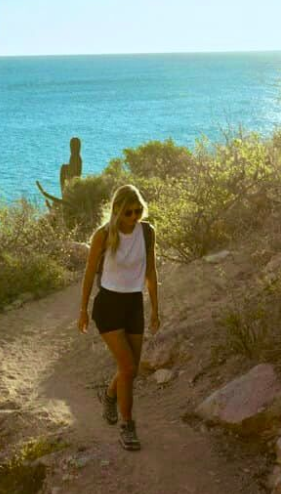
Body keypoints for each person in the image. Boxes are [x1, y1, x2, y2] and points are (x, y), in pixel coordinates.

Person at [77, 184, 160, 451]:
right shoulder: (103, 235)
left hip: (134, 303)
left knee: (131, 369)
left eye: (138, 211)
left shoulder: (147, 233)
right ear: (117, 211)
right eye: (128, 212)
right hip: (109, 306)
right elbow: (89, 273)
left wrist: (156, 309)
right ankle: (127, 426)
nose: (134, 217)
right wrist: (82, 310)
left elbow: (152, 272)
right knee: (127, 368)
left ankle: (110, 395)